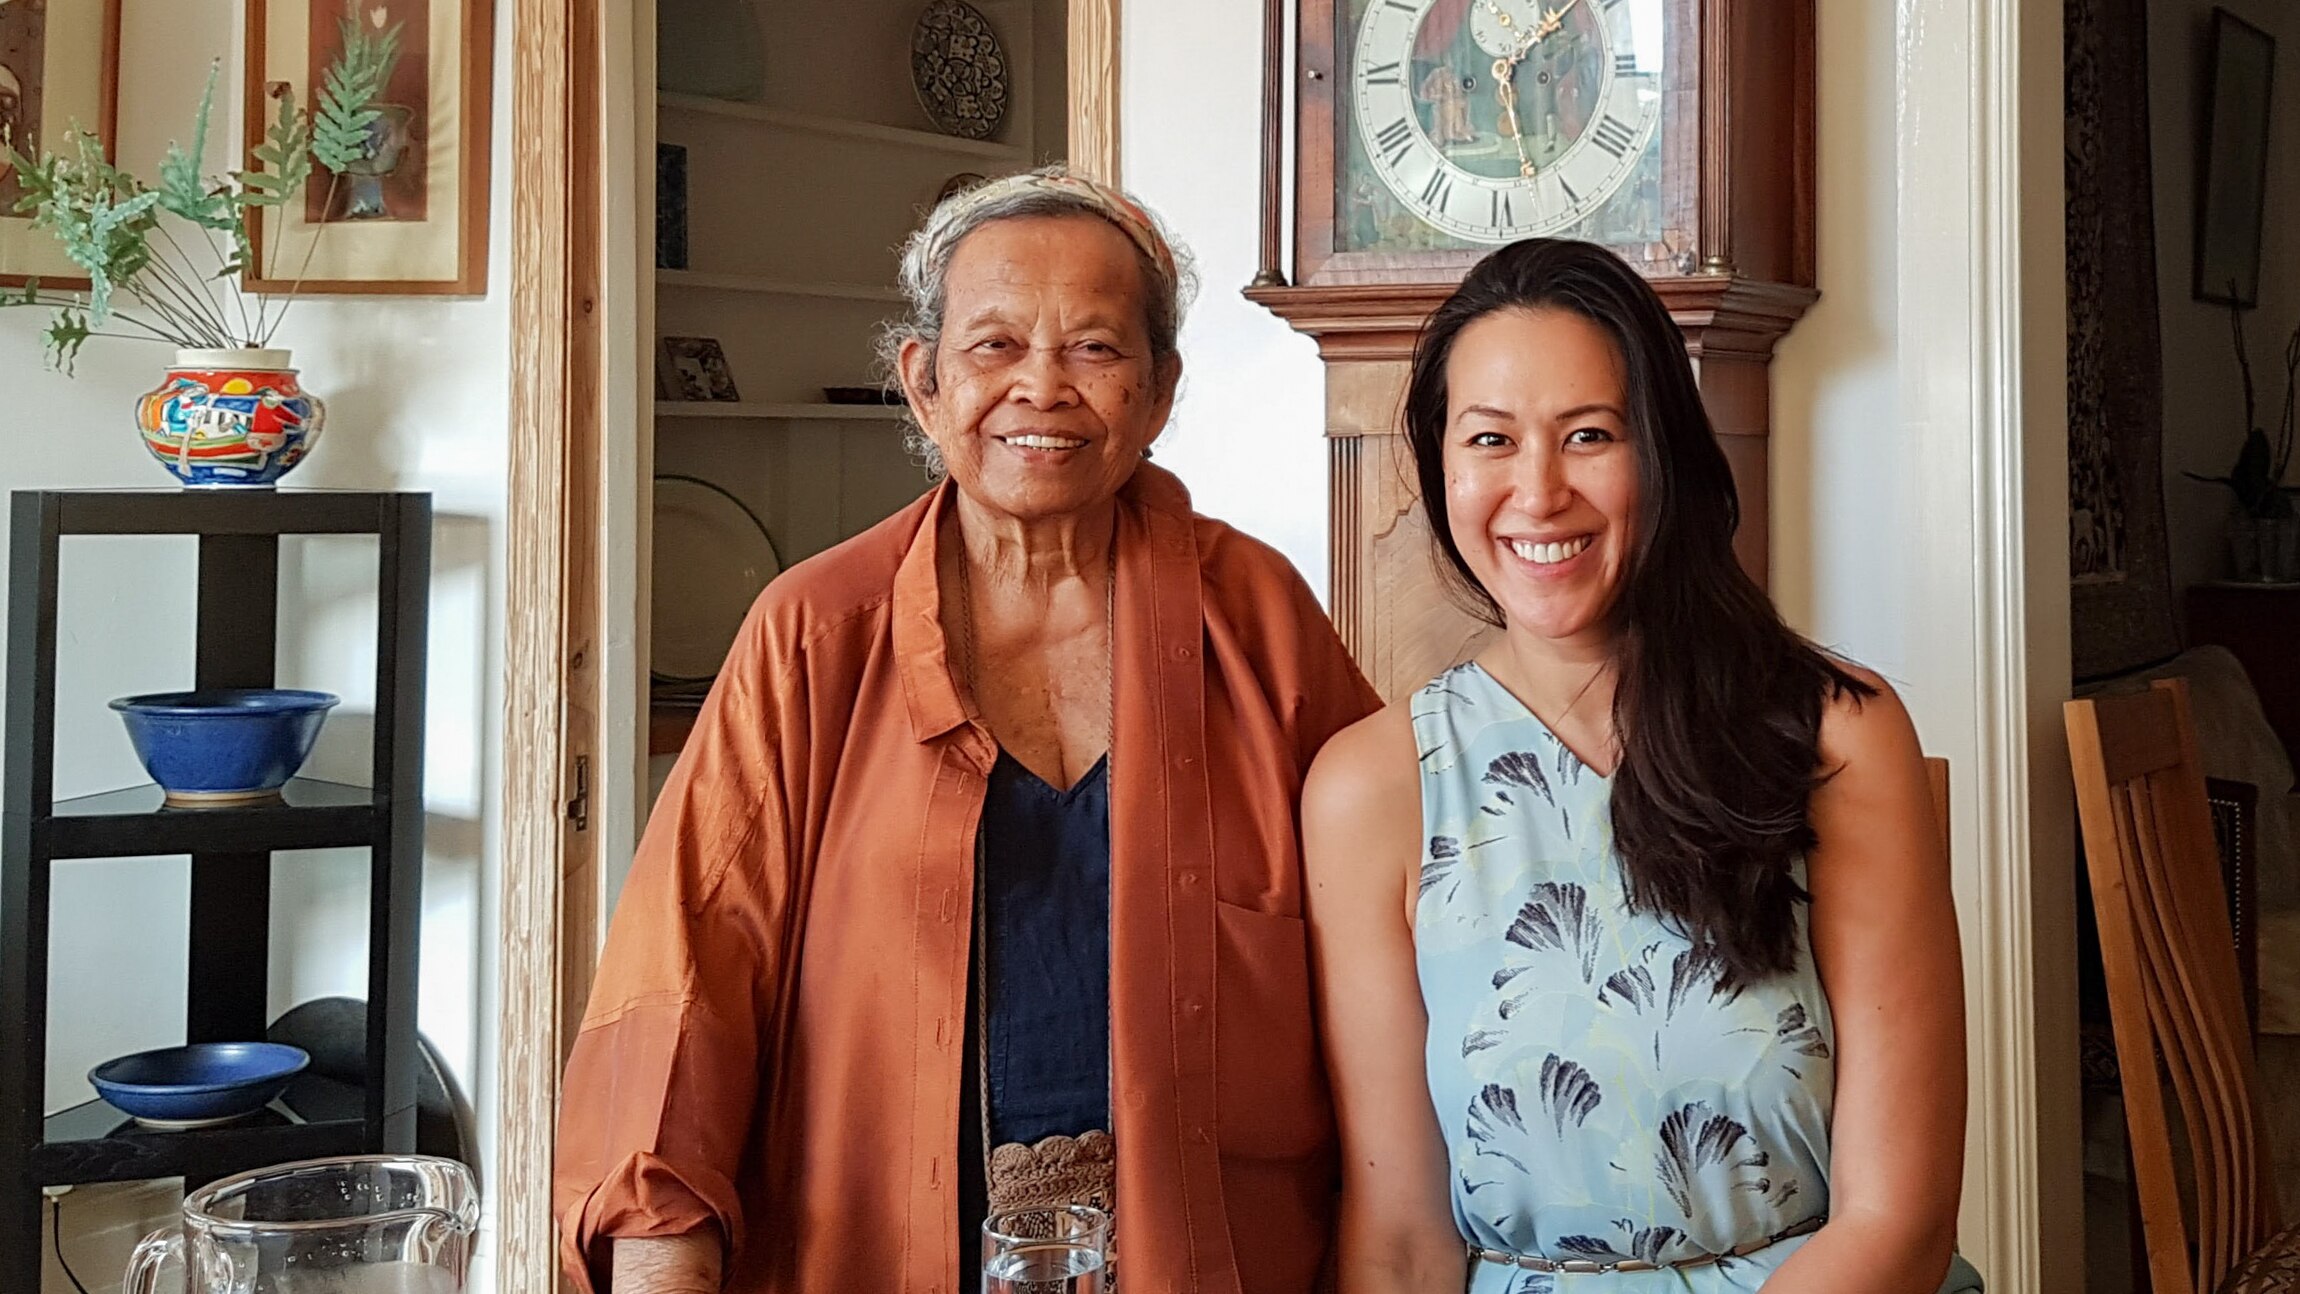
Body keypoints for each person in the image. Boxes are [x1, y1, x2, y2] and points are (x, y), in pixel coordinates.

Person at [554, 168, 1380, 1294]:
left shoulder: (1259, 621)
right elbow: (682, 999)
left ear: (1158, 390)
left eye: (1094, 348)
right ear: (923, 381)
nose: (1040, 388)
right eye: (993, 346)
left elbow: (1395, 947)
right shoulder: (811, 636)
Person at [1302, 238, 1986, 1293]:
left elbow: (1897, 1220)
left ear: (1660, 450)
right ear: (1441, 466)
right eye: (1489, 438)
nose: (1536, 492)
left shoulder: (1835, 737)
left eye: (1587, 435)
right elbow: (1397, 1243)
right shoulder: (1371, 789)